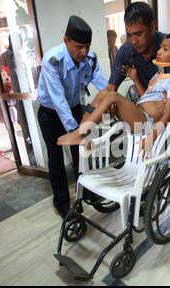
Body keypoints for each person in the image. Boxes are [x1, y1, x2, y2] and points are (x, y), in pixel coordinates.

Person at [106, 2, 170, 221]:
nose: (133, 40)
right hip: (149, 114)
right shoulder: (127, 52)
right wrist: (111, 103)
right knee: (146, 156)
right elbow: (112, 87)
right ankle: (147, 198)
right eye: (129, 34)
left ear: (153, 26)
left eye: (138, 33)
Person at [58, 32, 170, 155]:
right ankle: (82, 133)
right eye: (160, 47)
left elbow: (167, 116)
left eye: (165, 49)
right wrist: (135, 79)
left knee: (112, 96)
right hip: (138, 115)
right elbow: (145, 97)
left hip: (147, 124)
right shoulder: (160, 74)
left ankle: (80, 134)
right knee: (104, 93)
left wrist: (152, 138)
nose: (159, 51)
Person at [36, 15, 108, 218]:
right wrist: (75, 131)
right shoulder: (52, 61)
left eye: (87, 46)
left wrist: (115, 100)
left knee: (82, 154)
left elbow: (103, 84)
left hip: (75, 109)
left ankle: (87, 192)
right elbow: (58, 100)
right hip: (50, 114)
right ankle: (62, 203)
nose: (83, 52)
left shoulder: (89, 58)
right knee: (56, 159)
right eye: (78, 46)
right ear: (66, 40)